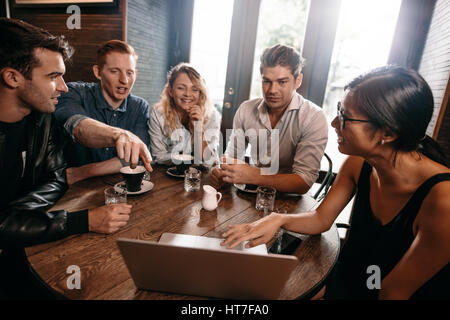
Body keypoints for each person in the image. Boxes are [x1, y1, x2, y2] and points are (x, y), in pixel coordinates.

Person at [221, 65, 450, 300]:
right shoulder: (358, 163)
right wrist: (278, 219)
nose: (333, 123)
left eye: (345, 117)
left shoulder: (443, 201)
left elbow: (393, 293)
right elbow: (321, 219)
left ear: (388, 134)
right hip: (350, 280)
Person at [0, 18, 134, 299]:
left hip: (25, 241)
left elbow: (57, 178)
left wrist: (13, 220)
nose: (63, 87)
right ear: (12, 77)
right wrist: (83, 221)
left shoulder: (42, 119)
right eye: (52, 77)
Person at [210, 44, 328, 194]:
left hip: (291, 199)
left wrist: (254, 176)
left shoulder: (314, 117)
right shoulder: (246, 109)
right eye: (267, 81)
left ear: (298, 81)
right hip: (252, 193)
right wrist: (222, 172)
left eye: (282, 82)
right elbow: (232, 157)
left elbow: (304, 181)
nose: (272, 90)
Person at [54, 40, 152, 184]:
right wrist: (120, 135)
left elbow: (136, 157)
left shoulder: (140, 106)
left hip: (116, 186)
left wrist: (84, 172)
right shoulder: (73, 92)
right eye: (115, 71)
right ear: (98, 72)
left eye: (129, 72)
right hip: (74, 190)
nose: (124, 80)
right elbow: (77, 127)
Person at [148, 63, 221, 166]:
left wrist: (198, 128)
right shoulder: (158, 113)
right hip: (169, 174)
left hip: (202, 175)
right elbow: (158, 157)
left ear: (200, 93)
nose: (187, 94)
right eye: (181, 88)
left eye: (194, 89)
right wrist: (190, 158)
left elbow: (210, 160)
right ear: (170, 91)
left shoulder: (212, 115)